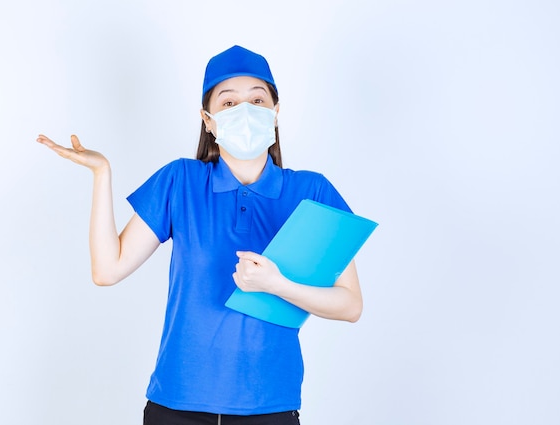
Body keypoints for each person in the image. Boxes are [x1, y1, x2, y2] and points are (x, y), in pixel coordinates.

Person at [37, 45, 363, 425]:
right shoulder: (181, 182)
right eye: (229, 103)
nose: (245, 111)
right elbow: (107, 270)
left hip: (269, 406)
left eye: (257, 100)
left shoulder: (312, 193)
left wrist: (277, 284)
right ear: (208, 121)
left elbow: (350, 305)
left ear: (275, 113)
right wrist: (101, 174)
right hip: (177, 405)